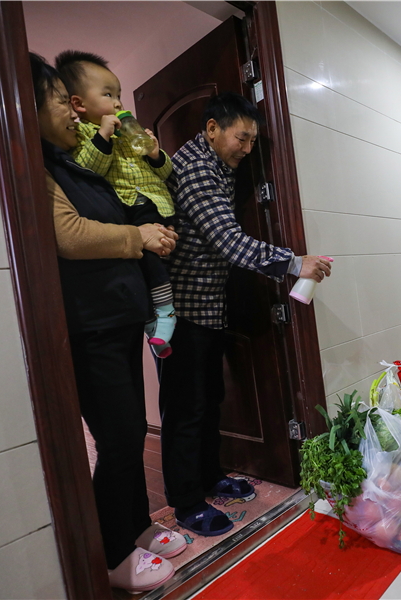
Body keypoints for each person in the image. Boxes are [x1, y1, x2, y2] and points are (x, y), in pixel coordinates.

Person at [30, 52, 186, 593]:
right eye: (59, 103)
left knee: (131, 433)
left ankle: (137, 528)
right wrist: (137, 238)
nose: (72, 114)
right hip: (90, 325)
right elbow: (69, 235)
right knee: (119, 440)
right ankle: (111, 554)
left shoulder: (73, 159)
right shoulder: (38, 166)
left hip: (118, 318)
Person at [159, 92, 332, 536]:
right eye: (242, 138)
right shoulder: (194, 168)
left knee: (211, 399)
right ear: (212, 129)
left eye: (254, 141)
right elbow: (229, 241)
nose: (248, 149)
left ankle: (210, 476)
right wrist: (296, 263)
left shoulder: (221, 166)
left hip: (210, 306)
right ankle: (185, 502)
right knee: (186, 409)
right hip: (180, 313)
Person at [55, 50, 177, 358]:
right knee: (145, 261)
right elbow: (88, 172)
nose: (119, 102)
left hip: (155, 204)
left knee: (160, 255)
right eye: (108, 94)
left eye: (119, 94)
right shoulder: (81, 133)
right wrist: (104, 136)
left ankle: (161, 315)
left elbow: (165, 172)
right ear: (78, 105)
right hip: (127, 209)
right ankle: (159, 317)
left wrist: (154, 153)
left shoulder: (129, 135)